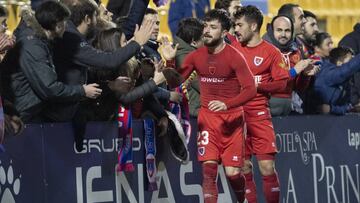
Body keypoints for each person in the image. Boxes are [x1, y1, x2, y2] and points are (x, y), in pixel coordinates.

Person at [163, 9, 256, 203]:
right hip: (208, 121)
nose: (206, 30)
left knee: (232, 174)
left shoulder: (235, 56)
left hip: (232, 122)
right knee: (208, 172)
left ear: (224, 33)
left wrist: (227, 104)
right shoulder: (197, 56)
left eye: (213, 27)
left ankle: (242, 199)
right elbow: (176, 82)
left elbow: (250, 90)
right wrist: (170, 61)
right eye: (205, 26)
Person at [0, 1, 101, 122]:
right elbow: (49, 88)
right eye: (2, 23)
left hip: (23, 114)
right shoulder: (33, 46)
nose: (6, 27)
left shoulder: (42, 42)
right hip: (21, 115)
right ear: (58, 25)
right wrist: (82, 91)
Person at [232, 6, 290, 203]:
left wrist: (257, 85)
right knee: (244, 167)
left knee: (267, 168)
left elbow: (282, 83)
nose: (236, 29)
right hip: (236, 116)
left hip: (259, 114)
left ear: (253, 26)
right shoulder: (232, 49)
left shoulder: (271, 52)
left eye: (240, 25)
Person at [263, 15, 318, 116]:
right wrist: (294, 71)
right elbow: (267, 83)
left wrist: (305, 76)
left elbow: (299, 87)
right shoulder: (262, 50)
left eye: (287, 30)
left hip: (288, 107)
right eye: (279, 30)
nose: (283, 34)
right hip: (266, 108)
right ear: (271, 31)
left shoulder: (296, 52)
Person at [314, 47, 360, 115]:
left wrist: (332, 109)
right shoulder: (328, 73)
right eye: (350, 60)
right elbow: (348, 69)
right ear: (339, 63)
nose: (353, 62)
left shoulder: (346, 81)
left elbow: (347, 106)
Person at [174, 18, 204, 117]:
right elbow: (204, 86)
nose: (206, 41)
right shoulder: (187, 59)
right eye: (203, 38)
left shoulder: (182, 52)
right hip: (193, 114)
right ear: (194, 42)